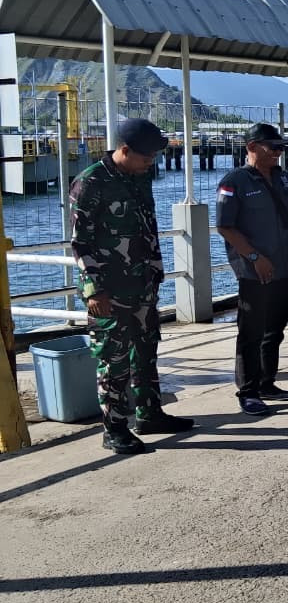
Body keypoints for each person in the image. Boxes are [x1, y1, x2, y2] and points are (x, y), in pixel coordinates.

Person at [69, 119, 193, 455]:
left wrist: (155, 267)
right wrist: (93, 289)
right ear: (124, 150)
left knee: (146, 351)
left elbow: (147, 226)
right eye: (146, 158)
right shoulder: (91, 182)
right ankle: (114, 429)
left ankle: (149, 414)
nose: (150, 163)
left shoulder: (140, 177)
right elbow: (80, 243)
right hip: (110, 291)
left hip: (143, 284)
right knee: (114, 360)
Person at [216, 123, 288, 416]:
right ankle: (248, 390)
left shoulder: (284, 180)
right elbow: (225, 226)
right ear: (251, 147)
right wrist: (254, 257)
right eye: (273, 147)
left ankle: (268, 383)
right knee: (251, 332)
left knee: (274, 331)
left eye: (281, 148)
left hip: (284, 267)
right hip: (254, 271)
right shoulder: (235, 182)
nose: (279, 153)